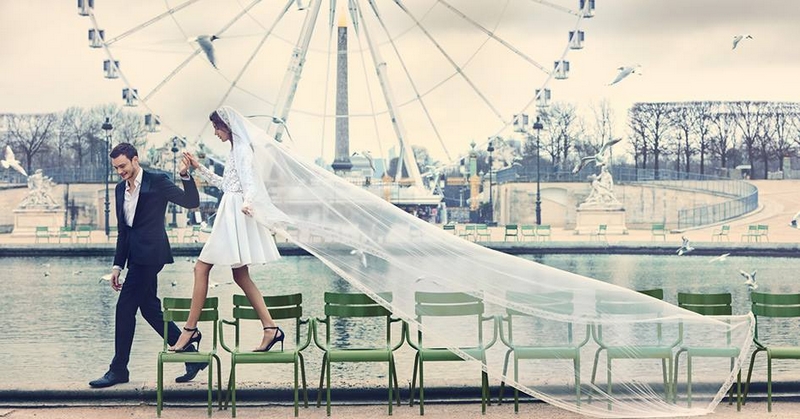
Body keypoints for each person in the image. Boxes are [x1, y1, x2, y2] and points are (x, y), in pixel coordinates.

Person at [170, 106, 285, 353]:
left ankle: (190, 330)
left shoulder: (242, 150)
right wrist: (199, 168)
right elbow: (226, 184)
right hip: (231, 211)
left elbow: (250, 184)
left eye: (216, 127)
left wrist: (247, 202)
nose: (215, 133)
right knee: (240, 275)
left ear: (227, 126)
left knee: (201, 268)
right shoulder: (235, 150)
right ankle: (271, 328)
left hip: (235, 213)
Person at [90, 143, 204, 388]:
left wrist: (185, 175)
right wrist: (117, 266)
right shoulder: (119, 189)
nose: (120, 171)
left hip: (152, 255)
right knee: (150, 309)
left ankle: (119, 370)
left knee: (124, 309)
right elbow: (124, 231)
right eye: (116, 168)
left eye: (122, 166)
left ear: (135, 160)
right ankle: (191, 355)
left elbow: (191, 201)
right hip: (134, 257)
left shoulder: (157, 181)